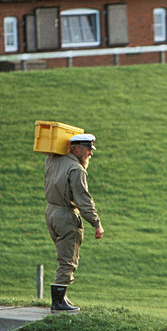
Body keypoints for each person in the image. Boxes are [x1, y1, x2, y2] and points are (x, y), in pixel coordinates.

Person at [44, 133, 104, 312]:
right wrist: (97, 223)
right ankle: (58, 303)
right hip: (66, 216)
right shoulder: (76, 169)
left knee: (63, 256)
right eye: (87, 149)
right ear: (76, 148)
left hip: (51, 212)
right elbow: (83, 200)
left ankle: (62, 297)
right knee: (68, 260)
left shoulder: (53, 160)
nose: (90, 154)